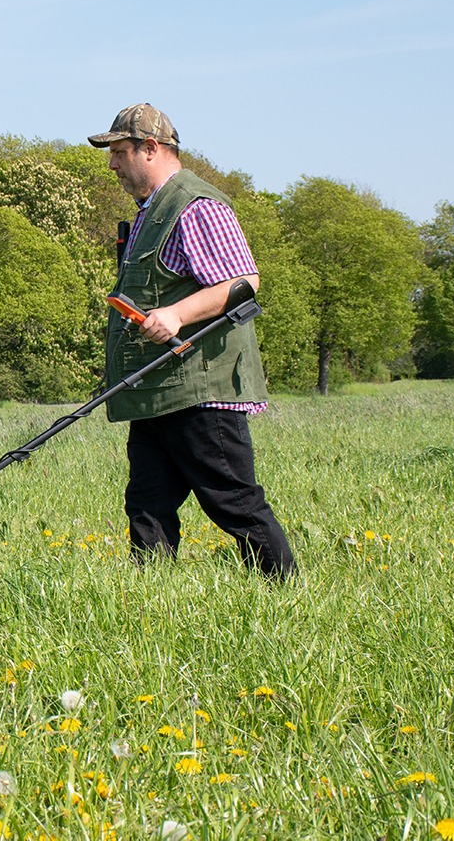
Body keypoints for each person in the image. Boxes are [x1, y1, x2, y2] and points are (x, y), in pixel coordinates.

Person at [88, 103, 296, 580]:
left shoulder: (196, 206)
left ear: (152, 149)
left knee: (233, 501)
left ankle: (285, 591)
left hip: (201, 389)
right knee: (146, 505)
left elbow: (243, 281)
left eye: (120, 152)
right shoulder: (150, 211)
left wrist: (176, 314)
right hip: (158, 388)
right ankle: (154, 597)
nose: (113, 164)